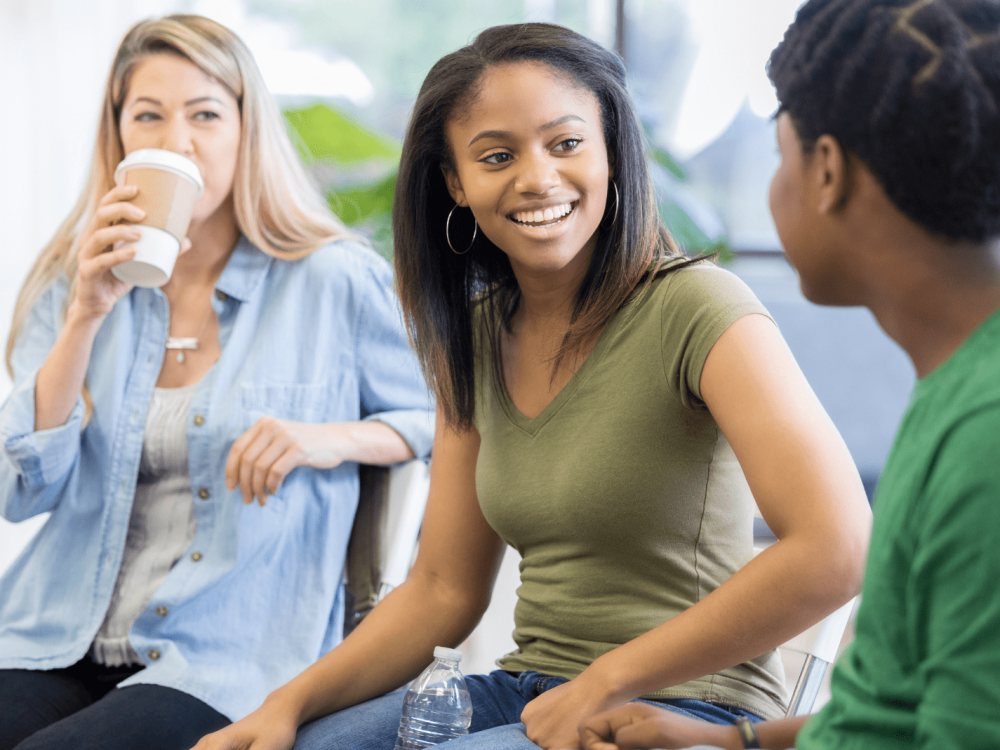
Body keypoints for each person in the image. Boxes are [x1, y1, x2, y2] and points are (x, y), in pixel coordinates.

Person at [192, 22, 871, 750]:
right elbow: (442, 590)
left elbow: (838, 549)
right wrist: (284, 707)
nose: (538, 177)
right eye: (496, 156)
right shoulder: (476, 336)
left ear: (611, 147)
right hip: (528, 689)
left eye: (567, 143)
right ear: (456, 181)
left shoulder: (699, 308)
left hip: (681, 709)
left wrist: (606, 680)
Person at [0, 15, 434, 750]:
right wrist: (85, 314)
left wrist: (331, 438)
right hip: (52, 634)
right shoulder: (73, 281)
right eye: (149, 116)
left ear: (244, 131)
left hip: (227, 660)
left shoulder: (331, 281)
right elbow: (22, 489)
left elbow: (444, 419)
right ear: (120, 138)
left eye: (205, 113)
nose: (176, 141)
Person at [578, 1, 1000, 749]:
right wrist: (732, 742)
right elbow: (895, 707)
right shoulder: (957, 388)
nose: (777, 184)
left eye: (781, 156)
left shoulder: (984, 440)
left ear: (828, 171)